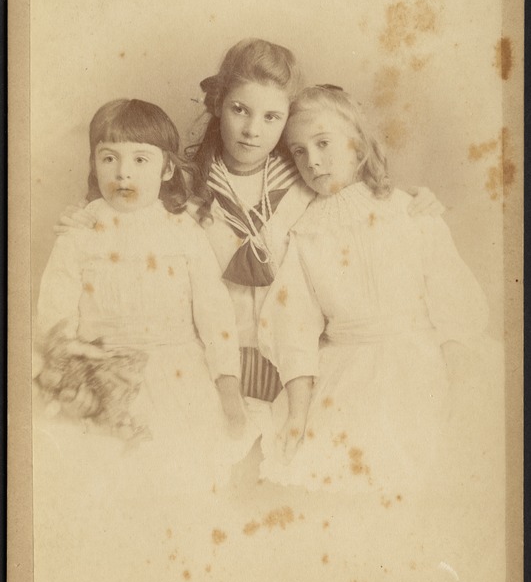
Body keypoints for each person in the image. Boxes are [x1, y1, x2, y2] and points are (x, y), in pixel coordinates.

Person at [55, 39, 444, 408]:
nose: (252, 130)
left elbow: (361, 206)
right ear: (218, 104)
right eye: (240, 110)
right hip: (213, 368)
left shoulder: (307, 182)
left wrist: (409, 199)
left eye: (271, 117)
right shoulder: (180, 189)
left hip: (302, 368)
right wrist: (84, 214)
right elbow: (125, 218)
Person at [258, 85, 504, 513]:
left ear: (357, 142)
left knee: (439, 478)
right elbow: (292, 327)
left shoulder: (409, 210)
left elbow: (452, 307)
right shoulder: (305, 233)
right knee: (349, 493)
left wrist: (460, 384)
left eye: (322, 143)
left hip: (422, 363)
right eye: (298, 151)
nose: (311, 161)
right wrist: (297, 412)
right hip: (347, 372)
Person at [35, 98, 258, 496]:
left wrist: (228, 388)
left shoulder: (184, 231)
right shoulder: (78, 234)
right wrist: (73, 380)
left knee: (182, 482)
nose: (123, 173)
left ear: (166, 168)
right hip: (102, 381)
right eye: (109, 159)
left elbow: (215, 314)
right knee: (109, 486)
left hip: (178, 378)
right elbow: (54, 319)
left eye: (140, 159)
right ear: (94, 165)